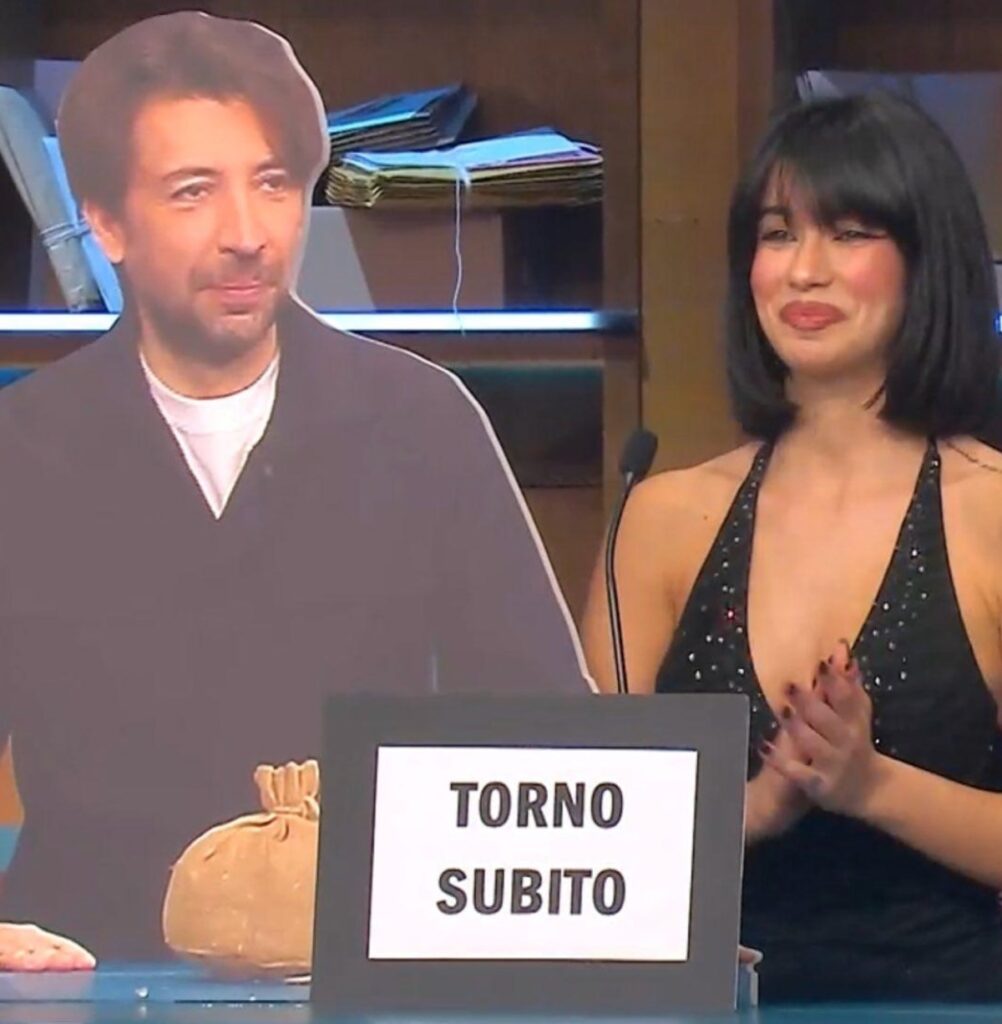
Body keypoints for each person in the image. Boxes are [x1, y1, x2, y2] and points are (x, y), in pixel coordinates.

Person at [0, 11, 590, 970]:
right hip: (86, 968)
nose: (246, 235)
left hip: (362, 968)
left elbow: (546, 738)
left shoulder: (420, 423)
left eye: (272, 184)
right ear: (105, 222)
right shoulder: (22, 451)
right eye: (194, 192)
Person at [583, 91, 1002, 1002]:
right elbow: (592, 837)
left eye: (849, 234)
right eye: (778, 235)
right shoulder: (661, 519)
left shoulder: (990, 516)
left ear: (927, 259)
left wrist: (872, 785)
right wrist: (754, 809)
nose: (804, 271)